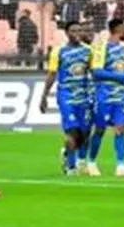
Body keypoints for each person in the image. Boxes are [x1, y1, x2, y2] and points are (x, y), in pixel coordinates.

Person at [84, 17, 124, 177]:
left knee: (121, 128)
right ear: (118, 29)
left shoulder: (123, 49)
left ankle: (121, 166)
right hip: (103, 95)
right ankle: (91, 162)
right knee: (100, 129)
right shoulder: (102, 47)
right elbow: (97, 72)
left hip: (119, 96)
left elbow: (122, 70)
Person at [39, 20, 93, 176]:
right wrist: (44, 96)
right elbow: (52, 74)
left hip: (83, 96)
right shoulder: (59, 51)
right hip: (66, 96)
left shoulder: (88, 51)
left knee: (84, 133)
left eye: (79, 31)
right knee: (71, 132)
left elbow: (93, 71)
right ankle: (71, 168)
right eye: (73, 31)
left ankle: (66, 153)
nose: (77, 34)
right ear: (67, 33)